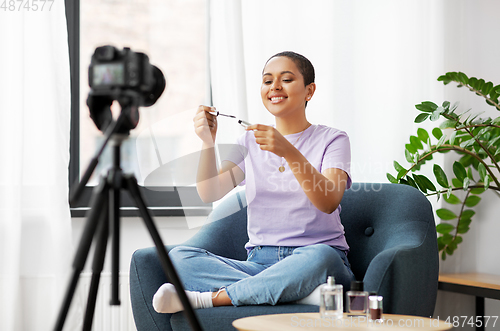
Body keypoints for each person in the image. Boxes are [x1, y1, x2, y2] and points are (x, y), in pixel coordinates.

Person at [152, 51, 355, 314]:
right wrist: (207, 141)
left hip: (314, 258)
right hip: (259, 262)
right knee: (179, 259)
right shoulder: (248, 143)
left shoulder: (334, 140)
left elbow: (327, 202)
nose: (275, 87)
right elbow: (209, 191)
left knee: (321, 257)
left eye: (287, 79)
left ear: (309, 91)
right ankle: (295, 293)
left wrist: (288, 150)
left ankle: (211, 299)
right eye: (268, 81)